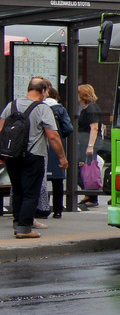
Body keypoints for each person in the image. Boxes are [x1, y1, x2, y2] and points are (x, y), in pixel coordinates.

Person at [0, 78, 68, 239]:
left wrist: (2, 155)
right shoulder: (43, 109)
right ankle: (24, 228)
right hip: (34, 155)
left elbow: (1, 129)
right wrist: (62, 158)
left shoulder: (12, 105)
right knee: (31, 193)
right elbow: (53, 136)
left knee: (17, 191)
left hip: (12, 155)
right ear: (43, 91)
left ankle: (18, 224)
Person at [37, 82, 72, 219]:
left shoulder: (39, 108)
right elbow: (68, 128)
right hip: (56, 145)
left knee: (40, 179)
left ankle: (41, 208)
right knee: (57, 180)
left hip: (41, 145)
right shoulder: (60, 109)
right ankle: (58, 210)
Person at [77, 84, 103, 209]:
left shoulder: (92, 108)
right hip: (84, 142)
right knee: (83, 169)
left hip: (89, 143)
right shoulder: (87, 108)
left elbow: (94, 128)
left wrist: (90, 146)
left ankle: (92, 196)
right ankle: (88, 194)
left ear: (83, 95)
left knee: (87, 169)